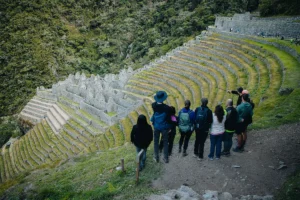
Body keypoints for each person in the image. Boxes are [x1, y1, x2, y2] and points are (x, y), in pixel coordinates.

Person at [151, 91, 172, 163]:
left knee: (156, 142)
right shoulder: (167, 108)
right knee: (165, 142)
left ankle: (156, 157)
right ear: (163, 99)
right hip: (164, 127)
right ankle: (166, 158)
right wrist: (169, 127)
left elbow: (156, 106)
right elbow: (169, 119)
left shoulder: (153, 105)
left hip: (156, 126)